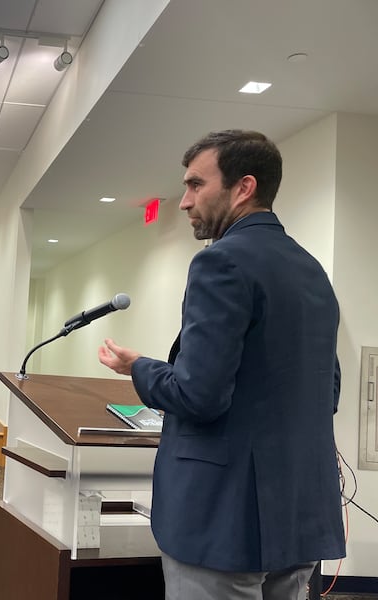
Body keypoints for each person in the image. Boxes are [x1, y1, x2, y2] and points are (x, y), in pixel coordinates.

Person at [97, 130, 345, 600]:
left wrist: (139, 369)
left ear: (243, 187)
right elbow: (325, 392)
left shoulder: (221, 262)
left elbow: (199, 396)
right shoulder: (311, 269)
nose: (184, 202)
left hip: (223, 519)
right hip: (299, 514)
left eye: (195, 185)